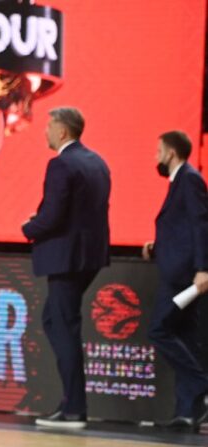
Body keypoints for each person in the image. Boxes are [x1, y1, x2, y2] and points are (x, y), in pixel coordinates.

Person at [22, 107, 110, 429]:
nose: (45, 132)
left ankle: (74, 409)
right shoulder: (97, 162)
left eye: (48, 127)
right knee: (55, 320)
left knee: (64, 327)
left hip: (67, 258)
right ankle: (71, 404)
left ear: (62, 132)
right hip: (89, 257)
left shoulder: (61, 164)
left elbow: (54, 215)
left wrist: (29, 228)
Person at [143, 131, 208, 431]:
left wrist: (203, 268)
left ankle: (200, 383)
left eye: (159, 151)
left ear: (171, 153)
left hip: (183, 276)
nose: (156, 156)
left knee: (159, 330)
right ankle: (188, 412)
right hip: (179, 269)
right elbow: (181, 227)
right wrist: (158, 245)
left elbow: (200, 224)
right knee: (183, 336)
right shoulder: (181, 181)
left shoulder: (190, 179)